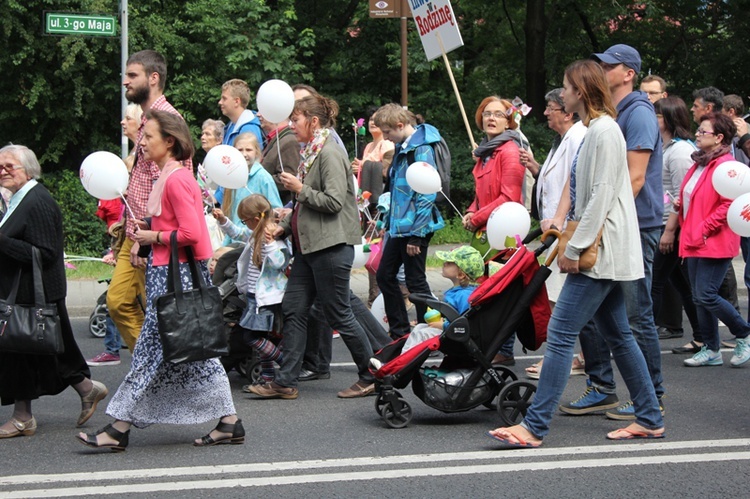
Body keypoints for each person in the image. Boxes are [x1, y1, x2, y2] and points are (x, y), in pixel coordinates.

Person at [488, 60, 664, 448]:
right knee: (619, 335)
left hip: (600, 252)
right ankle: (649, 417)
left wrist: (576, 247)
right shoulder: (597, 130)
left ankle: (534, 426)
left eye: (566, 87)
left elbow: (599, 197)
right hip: (607, 250)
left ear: (580, 92)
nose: (561, 93)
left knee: (563, 332)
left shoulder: (602, 131)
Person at [76, 110, 241, 451]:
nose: (143, 141)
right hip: (169, 275)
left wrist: (153, 236)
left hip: (173, 278)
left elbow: (193, 234)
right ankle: (230, 423)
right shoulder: (171, 176)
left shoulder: (177, 179)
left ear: (169, 141)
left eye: (149, 136)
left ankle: (118, 428)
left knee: (149, 353)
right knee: (199, 357)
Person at [248, 93, 377, 400]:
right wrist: (285, 221)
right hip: (309, 248)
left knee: (339, 313)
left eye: (296, 119)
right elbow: (307, 202)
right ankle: (285, 381)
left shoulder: (329, 153)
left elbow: (333, 202)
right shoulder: (312, 151)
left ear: (313, 121)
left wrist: (300, 189)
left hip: (331, 247)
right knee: (294, 309)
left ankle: (371, 374)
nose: (291, 124)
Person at [564, 44, 664, 421]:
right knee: (607, 320)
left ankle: (651, 397)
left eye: (610, 65)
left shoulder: (637, 112)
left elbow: (633, 179)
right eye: (600, 64)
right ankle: (605, 388)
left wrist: (598, 231)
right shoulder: (609, 115)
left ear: (629, 73)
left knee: (636, 318)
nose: (601, 69)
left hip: (632, 226)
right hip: (606, 227)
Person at [0, 144, 108, 438]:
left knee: (19, 351)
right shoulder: (19, 198)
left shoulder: (38, 201)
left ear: (29, 169)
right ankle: (87, 389)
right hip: (26, 291)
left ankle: (23, 417)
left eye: (10, 166)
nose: (3, 171)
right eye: (0, 166)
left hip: (37, 292)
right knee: (41, 350)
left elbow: (46, 252)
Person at [107, 49, 192, 352]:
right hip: (140, 231)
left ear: (153, 78)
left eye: (132, 76)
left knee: (124, 303)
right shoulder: (147, 120)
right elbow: (144, 180)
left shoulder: (165, 120)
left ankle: (156, 370)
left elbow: (170, 186)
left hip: (152, 235)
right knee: (138, 307)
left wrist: (146, 240)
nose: (125, 82)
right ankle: (155, 371)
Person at [521, 88, 587, 380]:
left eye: (550, 107)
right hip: (554, 229)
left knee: (560, 298)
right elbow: (555, 179)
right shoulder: (561, 141)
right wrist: (537, 168)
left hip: (564, 230)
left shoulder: (577, 137)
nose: (545, 112)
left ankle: (562, 358)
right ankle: (576, 356)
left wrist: (561, 218)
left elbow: (573, 181)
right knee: (559, 296)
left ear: (567, 111)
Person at [678, 113, 750, 367]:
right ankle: (711, 349)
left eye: (703, 131)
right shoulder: (700, 162)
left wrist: (705, 229)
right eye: (698, 130)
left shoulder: (727, 167)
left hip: (713, 239)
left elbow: (730, 203)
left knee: (707, 294)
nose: (697, 134)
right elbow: (694, 195)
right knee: (699, 296)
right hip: (694, 238)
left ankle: (744, 333)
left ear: (719, 137)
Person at [461, 96, 525, 366]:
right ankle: (490, 344)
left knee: (502, 293)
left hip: (506, 232)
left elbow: (508, 196)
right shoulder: (486, 151)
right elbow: (482, 194)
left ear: (509, 119)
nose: (491, 118)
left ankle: (505, 350)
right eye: (487, 113)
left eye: (498, 114)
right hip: (487, 232)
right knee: (486, 290)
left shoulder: (509, 150)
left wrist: (477, 217)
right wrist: (470, 210)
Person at [374, 104, 446, 339]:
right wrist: (389, 223)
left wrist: (417, 233)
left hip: (416, 227)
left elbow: (426, 193)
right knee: (385, 275)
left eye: (387, 132)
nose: (385, 137)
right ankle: (401, 332)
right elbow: (397, 189)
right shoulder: (402, 147)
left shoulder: (421, 149)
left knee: (416, 281)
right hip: (400, 226)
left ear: (400, 125)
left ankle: (433, 331)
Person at [87, 105, 144, 367]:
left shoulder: (147, 153)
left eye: (128, 118)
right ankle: (146, 358)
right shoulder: (135, 153)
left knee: (140, 304)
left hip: (144, 238)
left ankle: (151, 361)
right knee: (119, 301)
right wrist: (122, 222)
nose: (123, 122)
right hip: (130, 236)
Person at [213, 194, 290, 387]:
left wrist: (271, 244)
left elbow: (279, 262)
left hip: (264, 298)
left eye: (245, 220)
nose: (244, 224)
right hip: (254, 295)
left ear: (255, 219)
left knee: (251, 337)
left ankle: (286, 365)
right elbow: (238, 233)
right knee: (261, 338)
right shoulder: (256, 234)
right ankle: (268, 377)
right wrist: (224, 221)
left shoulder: (270, 239)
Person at [649, 97, 704, 357]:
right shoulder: (664, 147)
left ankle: (641, 338)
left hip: (672, 227)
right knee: (682, 285)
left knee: (654, 282)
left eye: (657, 116)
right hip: (664, 224)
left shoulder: (680, 151)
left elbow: (684, 196)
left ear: (669, 119)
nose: (653, 119)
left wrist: (671, 231)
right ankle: (703, 337)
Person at [353, 108, 395, 307]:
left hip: (380, 203)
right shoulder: (369, 145)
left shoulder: (387, 144)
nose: (372, 123)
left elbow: (386, 171)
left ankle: (381, 296)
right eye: (370, 120)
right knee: (370, 247)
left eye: (377, 120)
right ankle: (374, 296)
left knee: (377, 246)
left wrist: (362, 166)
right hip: (367, 201)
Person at [214, 132, 282, 244]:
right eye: (240, 150)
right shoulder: (233, 178)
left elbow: (276, 210)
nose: (244, 154)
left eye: (248, 150)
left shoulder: (263, 178)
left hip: (255, 240)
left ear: (256, 152)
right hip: (234, 237)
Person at [259, 114, 301, 206]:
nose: (258, 114)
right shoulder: (277, 138)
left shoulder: (289, 141)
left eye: (262, 111)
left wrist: (257, 180)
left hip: (280, 209)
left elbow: (289, 179)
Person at [219, 79, 264, 148]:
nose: (220, 102)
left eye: (224, 98)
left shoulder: (249, 129)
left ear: (237, 101)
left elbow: (251, 158)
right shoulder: (231, 125)